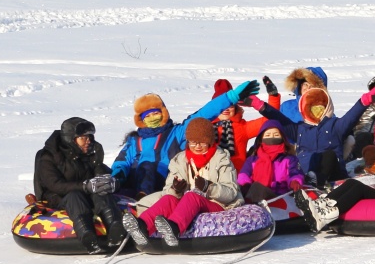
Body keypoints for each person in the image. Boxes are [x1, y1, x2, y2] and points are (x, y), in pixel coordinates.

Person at [112, 80, 260, 198]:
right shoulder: (134, 140)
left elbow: (202, 115)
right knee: (106, 173)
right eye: (147, 116)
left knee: (147, 166)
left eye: (155, 113)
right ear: (141, 119)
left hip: (165, 182)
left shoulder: (176, 133)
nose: (152, 118)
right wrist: (116, 177)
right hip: (134, 179)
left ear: (163, 113)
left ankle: (142, 203)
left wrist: (231, 97)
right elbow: (122, 162)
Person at [121, 118, 241, 248]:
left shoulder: (222, 159)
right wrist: (176, 189)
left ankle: (173, 228)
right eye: (193, 142)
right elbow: (168, 190)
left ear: (210, 141)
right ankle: (142, 227)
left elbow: (231, 192)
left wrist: (209, 187)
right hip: (188, 204)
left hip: (218, 204)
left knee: (192, 196)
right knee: (169, 198)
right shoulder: (180, 160)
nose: (198, 147)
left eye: (202, 142)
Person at [250, 79, 375, 183]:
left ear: (327, 107)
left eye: (320, 107)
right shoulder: (299, 129)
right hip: (305, 174)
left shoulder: (336, 126)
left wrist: (364, 101)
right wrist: (260, 105)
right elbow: (278, 118)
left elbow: (351, 117)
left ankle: (317, 181)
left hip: (333, 175)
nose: (316, 111)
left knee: (328, 155)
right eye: (312, 108)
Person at [33, 117, 120, 254]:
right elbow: (55, 185)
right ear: (71, 139)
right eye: (83, 138)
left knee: (101, 191)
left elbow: (101, 171)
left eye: (89, 137)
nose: (88, 141)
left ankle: (115, 229)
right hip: (59, 196)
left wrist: (109, 182)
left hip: (86, 192)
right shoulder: (49, 156)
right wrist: (85, 186)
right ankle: (87, 236)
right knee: (75, 196)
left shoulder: (90, 152)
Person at [210, 76, 280, 173]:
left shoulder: (242, 127)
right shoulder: (205, 126)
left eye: (230, 105)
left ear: (235, 107)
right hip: (210, 177)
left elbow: (270, 119)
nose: (226, 109)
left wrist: (273, 97)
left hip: (237, 177)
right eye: (222, 105)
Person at [237, 120, 305, 203]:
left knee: (258, 188)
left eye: (276, 135)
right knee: (256, 188)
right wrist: (245, 185)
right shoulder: (252, 160)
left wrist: (295, 182)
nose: (272, 138)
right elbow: (243, 175)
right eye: (268, 135)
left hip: (281, 198)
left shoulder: (289, 159)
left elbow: (295, 173)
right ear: (261, 139)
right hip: (255, 198)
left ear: (282, 138)